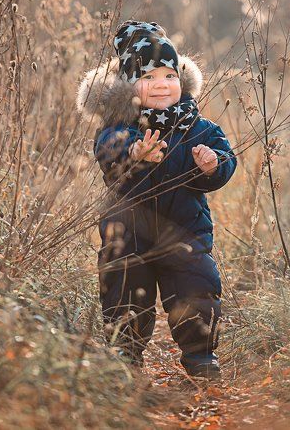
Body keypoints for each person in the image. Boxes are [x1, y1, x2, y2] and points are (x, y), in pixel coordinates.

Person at [76, 20, 236, 380]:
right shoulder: (120, 127)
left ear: (181, 80)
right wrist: (134, 153)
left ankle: (200, 357)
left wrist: (213, 165)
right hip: (128, 236)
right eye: (148, 79)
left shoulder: (200, 128)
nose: (161, 86)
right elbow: (108, 154)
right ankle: (126, 359)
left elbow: (227, 158)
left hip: (185, 231)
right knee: (124, 296)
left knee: (197, 288)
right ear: (131, 87)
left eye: (169, 76)